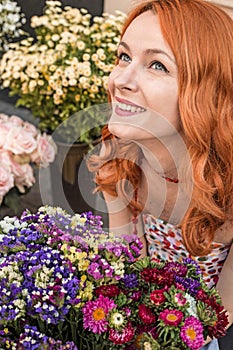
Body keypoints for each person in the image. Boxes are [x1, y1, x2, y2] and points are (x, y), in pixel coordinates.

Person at [87, 0, 233, 348]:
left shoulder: (227, 188)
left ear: (207, 93)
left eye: (156, 65)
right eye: (123, 56)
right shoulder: (121, 155)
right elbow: (125, 271)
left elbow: (223, 320)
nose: (120, 79)